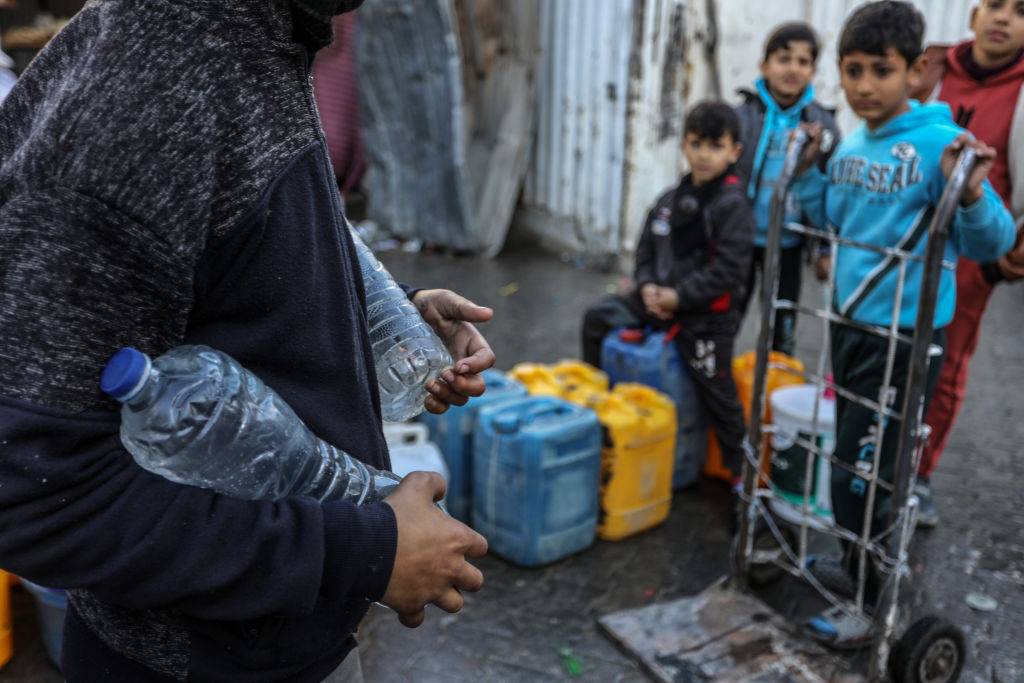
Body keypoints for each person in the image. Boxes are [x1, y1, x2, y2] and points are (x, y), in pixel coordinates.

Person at [0, 1, 494, 681]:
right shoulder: (153, 83)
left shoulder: (262, 36)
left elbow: (229, 253)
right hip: (196, 664)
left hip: (297, 640)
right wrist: (363, 552)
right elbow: (37, 494)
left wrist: (382, 313)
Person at [790, 0, 1016, 648]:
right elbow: (833, 213)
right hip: (852, 328)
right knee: (847, 463)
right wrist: (808, 175)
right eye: (852, 70)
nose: (864, 86)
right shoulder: (856, 140)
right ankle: (857, 562)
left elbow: (992, 238)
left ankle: (874, 601)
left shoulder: (940, 142)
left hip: (906, 339)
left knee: (869, 475)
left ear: (916, 69)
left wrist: (969, 191)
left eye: (881, 71)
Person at [582, 101, 755, 483]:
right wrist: (646, 288)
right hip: (655, 302)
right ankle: (601, 420)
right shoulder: (667, 201)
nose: (704, 155)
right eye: (696, 144)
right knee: (598, 319)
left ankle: (743, 483)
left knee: (720, 395)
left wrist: (680, 297)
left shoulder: (733, 207)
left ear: (734, 152)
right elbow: (644, 251)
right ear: (684, 145)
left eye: (715, 146)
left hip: (705, 316)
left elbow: (729, 269)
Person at [906, 0, 1024, 528]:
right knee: (879, 346)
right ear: (974, 15)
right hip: (904, 242)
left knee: (945, 364)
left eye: (1021, 10)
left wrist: (1003, 264)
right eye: (995, 5)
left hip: (972, 258)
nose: (1004, 18)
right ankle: (868, 456)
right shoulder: (931, 69)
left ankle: (918, 475)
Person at [735, 21, 841, 357]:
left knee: (782, 321)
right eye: (784, 59)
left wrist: (824, 249)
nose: (793, 68)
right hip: (739, 239)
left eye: (803, 61)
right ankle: (718, 385)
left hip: (789, 243)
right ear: (764, 66)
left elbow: (830, 191)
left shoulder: (823, 125)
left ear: (813, 70)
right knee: (726, 314)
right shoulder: (741, 118)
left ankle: (775, 386)